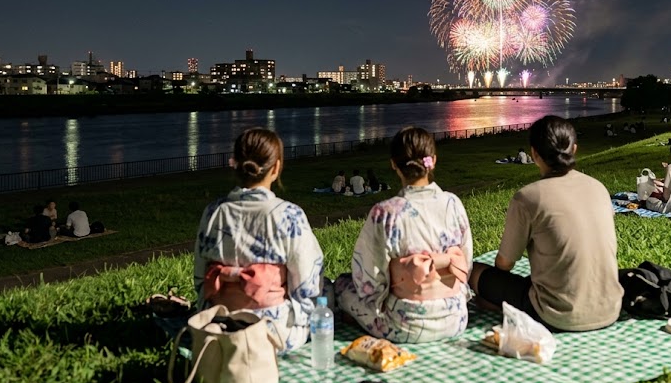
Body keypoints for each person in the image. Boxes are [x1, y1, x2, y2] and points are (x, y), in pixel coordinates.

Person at [468, 115, 622, 332]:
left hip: (557, 315)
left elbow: (504, 264)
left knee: (475, 271)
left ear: (534, 153)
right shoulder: (599, 188)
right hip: (610, 308)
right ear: (574, 149)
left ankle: (500, 305)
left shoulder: (528, 197)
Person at [336, 127, 473, 343]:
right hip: (455, 319)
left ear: (394, 164)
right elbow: (466, 262)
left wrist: (384, 297)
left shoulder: (385, 213)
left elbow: (369, 279)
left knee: (341, 286)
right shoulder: (453, 204)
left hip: (405, 325)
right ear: (433, 160)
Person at [194, 128, 324, 352]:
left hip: (220, 326)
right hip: (272, 333)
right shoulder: (288, 215)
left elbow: (200, 277)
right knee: (328, 291)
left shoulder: (213, 212)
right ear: (276, 167)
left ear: (235, 164)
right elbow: (307, 281)